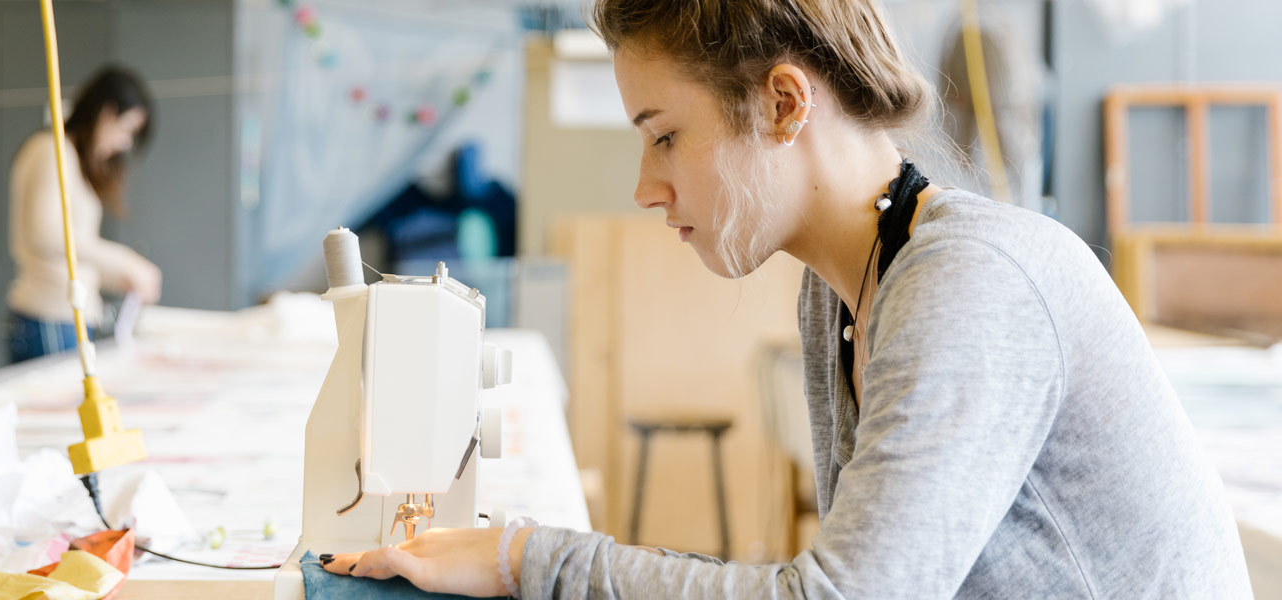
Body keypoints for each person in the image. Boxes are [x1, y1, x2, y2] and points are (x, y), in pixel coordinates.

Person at [322, 0, 1253, 597]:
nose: (647, 186)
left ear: (783, 103)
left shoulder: (973, 282)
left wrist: (530, 560)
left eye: (665, 136)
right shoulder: (840, 293)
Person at [6, 65, 162, 364]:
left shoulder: (72, 158)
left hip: (68, 318)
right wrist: (126, 261)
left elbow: (74, 251)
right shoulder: (51, 150)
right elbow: (46, 235)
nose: (126, 143)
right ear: (106, 113)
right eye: (127, 128)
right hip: (48, 317)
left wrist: (120, 275)